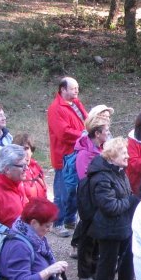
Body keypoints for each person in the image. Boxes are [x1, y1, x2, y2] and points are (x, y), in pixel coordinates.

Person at [87, 136, 139, 280]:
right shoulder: (102, 177)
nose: (127, 156)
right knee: (108, 261)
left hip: (123, 223)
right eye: (123, 153)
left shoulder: (119, 171)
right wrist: (130, 201)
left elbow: (122, 198)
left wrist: (127, 201)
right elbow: (110, 206)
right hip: (108, 227)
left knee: (127, 256)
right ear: (111, 157)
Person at [73, 114, 112, 280]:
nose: (108, 134)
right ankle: (84, 273)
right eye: (106, 131)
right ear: (97, 133)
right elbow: (85, 180)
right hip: (89, 200)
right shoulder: (84, 154)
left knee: (98, 237)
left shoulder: (103, 149)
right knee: (87, 237)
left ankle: (95, 268)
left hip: (101, 199)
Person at [46, 77, 88, 236]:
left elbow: (87, 119)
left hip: (78, 154)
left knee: (76, 189)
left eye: (77, 88)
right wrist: (83, 135)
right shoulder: (56, 108)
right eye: (73, 88)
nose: (76, 91)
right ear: (63, 90)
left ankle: (70, 219)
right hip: (63, 155)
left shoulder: (76, 103)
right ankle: (57, 222)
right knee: (62, 192)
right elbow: (63, 133)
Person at [14, 133, 49, 202]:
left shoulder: (36, 167)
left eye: (26, 148)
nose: (23, 152)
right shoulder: (15, 170)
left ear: (31, 151)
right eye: (20, 149)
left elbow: (44, 189)